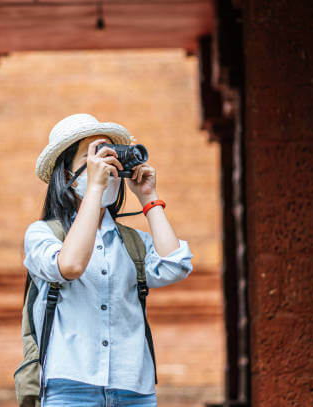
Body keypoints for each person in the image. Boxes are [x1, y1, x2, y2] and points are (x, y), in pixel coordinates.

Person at [24, 113, 193, 406]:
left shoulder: (131, 243)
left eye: (110, 159)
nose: (106, 168)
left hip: (134, 390)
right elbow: (71, 265)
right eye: (94, 160)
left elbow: (176, 265)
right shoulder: (43, 235)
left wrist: (148, 197)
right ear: (66, 175)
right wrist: (94, 188)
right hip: (69, 388)